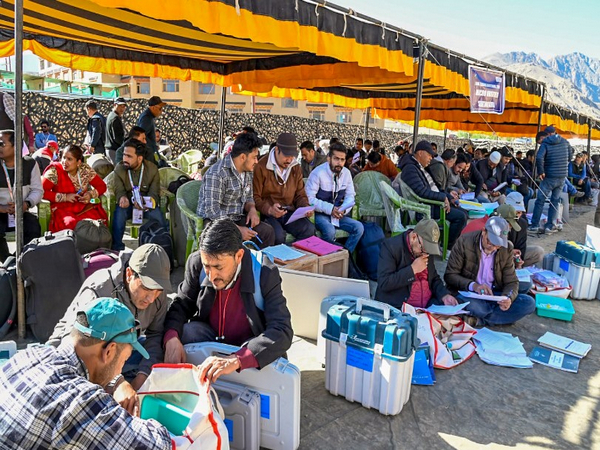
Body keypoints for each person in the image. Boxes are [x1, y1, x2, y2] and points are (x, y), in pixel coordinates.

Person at [0, 297, 174, 449]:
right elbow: (156, 445)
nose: (120, 370)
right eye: (124, 360)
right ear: (109, 351)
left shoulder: (28, 355)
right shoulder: (81, 399)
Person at [162, 218, 293, 381]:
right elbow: (181, 305)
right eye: (207, 266)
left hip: (248, 344)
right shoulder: (196, 263)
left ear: (239, 256)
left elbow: (282, 330)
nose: (211, 276)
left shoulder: (265, 272)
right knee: (185, 332)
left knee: (273, 354)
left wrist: (236, 359)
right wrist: (171, 337)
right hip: (212, 336)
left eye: (219, 267)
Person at [48, 244, 171, 395]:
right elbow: (80, 344)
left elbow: (155, 336)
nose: (151, 298)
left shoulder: (158, 296)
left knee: (162, 354)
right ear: (129, 274)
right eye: (146, 288)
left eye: (158, 291)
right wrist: (117, 382)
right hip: (85, 351)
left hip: (120, 351)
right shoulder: (99, 289)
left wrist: (142, 377)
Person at [444, 216, 536, 327]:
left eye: (497, 245)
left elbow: (512, 281)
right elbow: (450, 275)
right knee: (479, 308)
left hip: (493, 293)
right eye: (489, 242)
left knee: (528, 303)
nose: (492, 248)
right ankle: (498, 318)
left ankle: (479, 320)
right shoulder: (464, 242)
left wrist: (507, 297)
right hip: (468, 292)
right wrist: (474, 286)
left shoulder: (506, 248)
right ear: (483, 231)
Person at [197, 132, 275, 248]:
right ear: (243, 157)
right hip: (215, 222)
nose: (257, 161)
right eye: (254, 157)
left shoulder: (247, 171)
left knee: (267, 232)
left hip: (237, 218)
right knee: (233, 241)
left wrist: (252, 209)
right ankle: (242, 264)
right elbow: (212, 212)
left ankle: (262, 264)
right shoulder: (217, 174)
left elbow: (249, 197)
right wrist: (237, 230)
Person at [375, 218, 458, 309]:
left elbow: (433, 278)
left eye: (428, 252)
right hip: (402, 307)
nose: (425, 254)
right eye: (423, 250)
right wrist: (412, 270)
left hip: (428, 306)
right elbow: (384, 282)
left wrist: (444, 295)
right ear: (414, 237)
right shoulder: (390, 247)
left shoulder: (424, 250)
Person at [399, 140, 467, 249]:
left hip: (434, 203)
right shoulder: (410, 168)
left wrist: (449, 197)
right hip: (426, 207)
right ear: (420, 153)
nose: (431, 158)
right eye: (429, 155)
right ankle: (447, 247)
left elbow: (436, 188)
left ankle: (448, 244)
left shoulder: (420, 167)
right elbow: (421, 192)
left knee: (464, 211)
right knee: (461, 217)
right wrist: (443, 197)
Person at [252, 132, 315, 244]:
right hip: (269, 214)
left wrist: (305, 206)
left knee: (309, 229)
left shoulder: (295, 167)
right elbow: (255, 197)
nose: (289, 160)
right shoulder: (261, 166)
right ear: (277, 150)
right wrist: (270, 209)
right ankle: (281, 259)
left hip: (289, 212)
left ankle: (295, 257)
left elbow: (300, 194)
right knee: (278, 236)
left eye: (292, 156)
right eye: (286, 156)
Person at [305, 141, 364, 258]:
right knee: (329, 231)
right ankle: (327, 261)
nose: (339, 163)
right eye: (336, 159)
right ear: (328, 158)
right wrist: (330, 209)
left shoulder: (346, 173)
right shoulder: (318, 173)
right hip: (320, 214)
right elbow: (309, 198)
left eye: (342, 160)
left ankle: (345, 258)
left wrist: (343, 210)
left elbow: (350, 196)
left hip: (338, 214)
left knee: (359, 228)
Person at [112, 138, 166, 251]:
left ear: (140, 158)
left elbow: (154, 192)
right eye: (124, 155)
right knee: (119, 214)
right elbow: (119, 190)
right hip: (128, 204)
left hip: (146, 204)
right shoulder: (119, 169)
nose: (125, 159)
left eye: (129, 156)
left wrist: (147, 201)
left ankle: (163, 248)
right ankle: (116, 249)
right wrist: (122, 198)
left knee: (158, 216)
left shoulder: (152, 169)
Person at [41, 144, 108, 232]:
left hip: (82, 206)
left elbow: (102, 186)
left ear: (78, 162)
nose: (64, 162)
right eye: (64, 157)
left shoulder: (85, 170)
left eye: (69, 159)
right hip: (62, 208)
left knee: (95, 223)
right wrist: (65, 197)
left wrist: (90, 194)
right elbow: (41, 192)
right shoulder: (55, 171)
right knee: (71, 223)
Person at [0, 129, 43, 261]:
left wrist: (26, 204)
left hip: (21, 211)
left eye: (2, 144)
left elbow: (37, 190)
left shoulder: (29, 164)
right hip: (1, 212)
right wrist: (1, 208)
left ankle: (22, 260)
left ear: (15, 147)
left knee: (33, 227)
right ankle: (7, 262)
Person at [530, 126, 573, 234]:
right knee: (555, 201)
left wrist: (541, 172)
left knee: (540, 200)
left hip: (549, 176)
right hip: (562, 176)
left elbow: (539, 158)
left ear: (547, 134)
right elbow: (570, 155)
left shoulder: (545, 143)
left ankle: (534, 225)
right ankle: (550, 225)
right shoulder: (565, 142)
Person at [137, 96, 166, 166]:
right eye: (160, 108)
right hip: (147, 154)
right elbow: (141, 136)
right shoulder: (146, 118)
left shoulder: (148, 117)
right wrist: (152, 147)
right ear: (153, 108)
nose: (161, 111)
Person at [105, 97, 127, 163]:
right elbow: (117, 138)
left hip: (111, 150)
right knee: (119, 171)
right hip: (114, 150)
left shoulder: (112, 115)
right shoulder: (115, 118)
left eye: (123, 106)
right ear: (115, 105)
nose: (122, 108)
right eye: (120, 106)